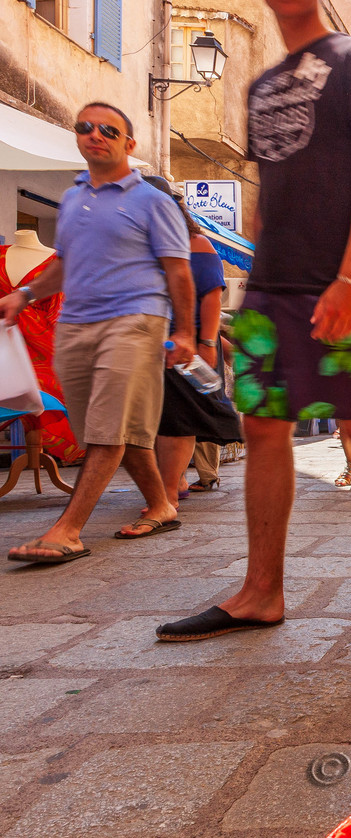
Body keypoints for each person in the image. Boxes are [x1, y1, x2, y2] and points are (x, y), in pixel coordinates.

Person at [158, 0, 351, 640]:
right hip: (271, 290)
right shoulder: (261, 85)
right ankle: (261, 592)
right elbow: (273, 187)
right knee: (264, 427)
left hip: (339, 284)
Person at [0, 103, 195, 564]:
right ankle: (161, 504)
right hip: (74, 326)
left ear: (129, 143)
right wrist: (24, 295)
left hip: (134, 322)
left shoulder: (152, 201)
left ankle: (68, 530)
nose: (95, 135)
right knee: (102, 430)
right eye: (85, 127)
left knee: (107, 431)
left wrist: (187, 332)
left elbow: (179, 270)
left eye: (109, 129)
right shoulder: (71, 199)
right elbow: (64, 266)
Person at [148, 179, 242, 509]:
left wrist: (205, 343)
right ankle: (175, 481)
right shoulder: (144, 241)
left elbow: (212, 296)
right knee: (156, 419)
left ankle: (169, 488)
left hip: (188, 342)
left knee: (178, 418)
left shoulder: (196, 243)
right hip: (151, 340)